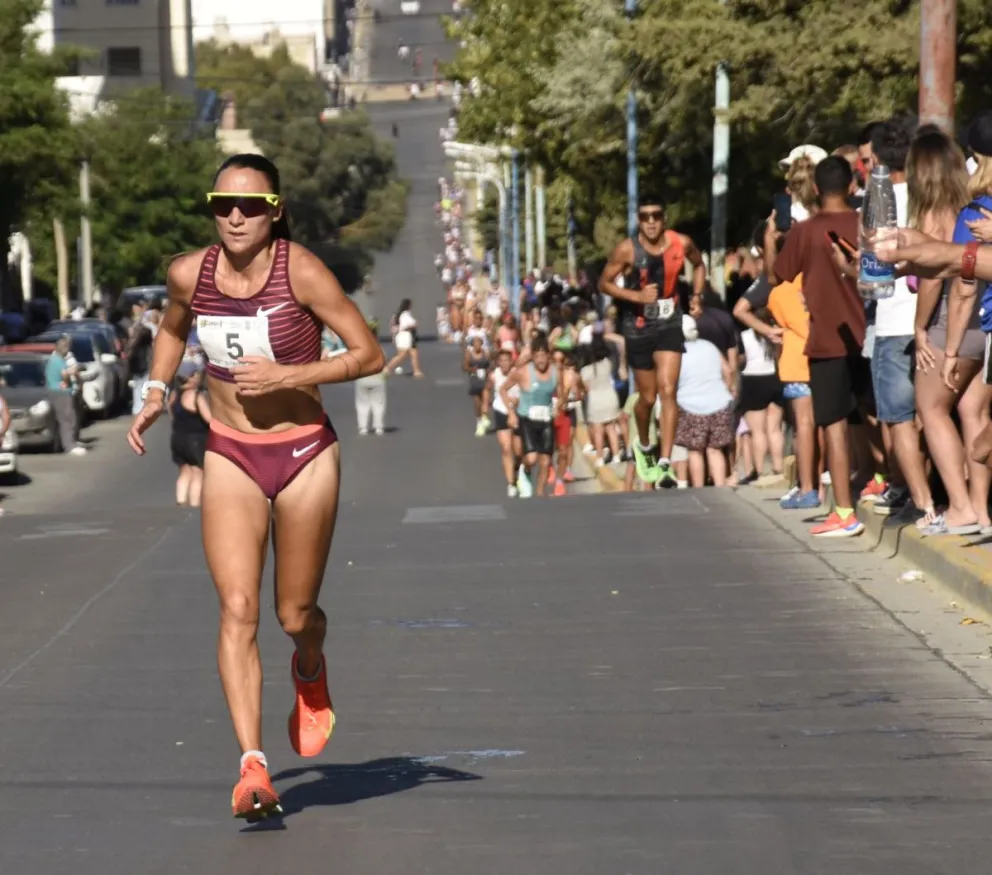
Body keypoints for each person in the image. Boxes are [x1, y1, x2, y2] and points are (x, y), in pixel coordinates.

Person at [125, 153, 384, 820]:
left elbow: (369, 353)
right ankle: (252, 766)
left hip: (303, 452)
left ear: (276, 211)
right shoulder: (189, 273)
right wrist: (156, 391)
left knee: (293, 614)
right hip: (231, 452)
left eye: (251, 205)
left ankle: (310, 664)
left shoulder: (302, 271)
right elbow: (172, 329)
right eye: (223, 204)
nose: (235, 216)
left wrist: (289, 376)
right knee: (237, 607)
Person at [769, 155, 866, 537]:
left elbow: (779, 275)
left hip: (826, 339)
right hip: (868, 334)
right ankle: (884, 483)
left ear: (814, 188)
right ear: (852, 185)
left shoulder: (806, 231)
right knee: (876, 421)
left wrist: (771, 240)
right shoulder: (867, 223)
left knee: (835, 426)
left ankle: (844, 511)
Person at [598, 193, 706, 487]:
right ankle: (644, 444)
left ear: (664, 218)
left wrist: (697, 296)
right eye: (645, 217)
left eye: (656, 216)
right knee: (647, 398)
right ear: (638, 220)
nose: (651, 222)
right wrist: (635, 296)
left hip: (669, 321)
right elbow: (603, 282)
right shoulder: (627, 250)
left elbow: (699, 264)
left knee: (668, 390)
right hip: (638, 326)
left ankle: (665, 462)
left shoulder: (681, 243)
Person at [500, 336, 565, 498]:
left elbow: (562, 394)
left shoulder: (556, 373)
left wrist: (558, 406)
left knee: (546, 461)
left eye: (543, 356)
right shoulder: (523, 372)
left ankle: (540, 493)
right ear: (532, 357)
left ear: (548, 356)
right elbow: (503, 389)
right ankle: (525, 469)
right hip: (527, 420)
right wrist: (511, 413)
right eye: (537, 356)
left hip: (546, 419)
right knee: (531, 458)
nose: (541, 360)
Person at [170, 361, 212, 506]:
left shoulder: (174, 395)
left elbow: (173, 416)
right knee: (198, 472)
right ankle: (194, 504)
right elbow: (208, 419)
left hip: (177, 438)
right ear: (192, 376)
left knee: (184, 471)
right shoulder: (196, 395)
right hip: (196, 439)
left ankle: (180, 500)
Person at [384, 298, 425, 377]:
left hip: (405, 336)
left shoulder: (400, 314)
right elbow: (405, 326)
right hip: (405, 336)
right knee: (402, 355)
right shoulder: (405, 314)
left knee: (413, 353)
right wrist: (414, 324)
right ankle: (387, 368)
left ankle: (416, 371)